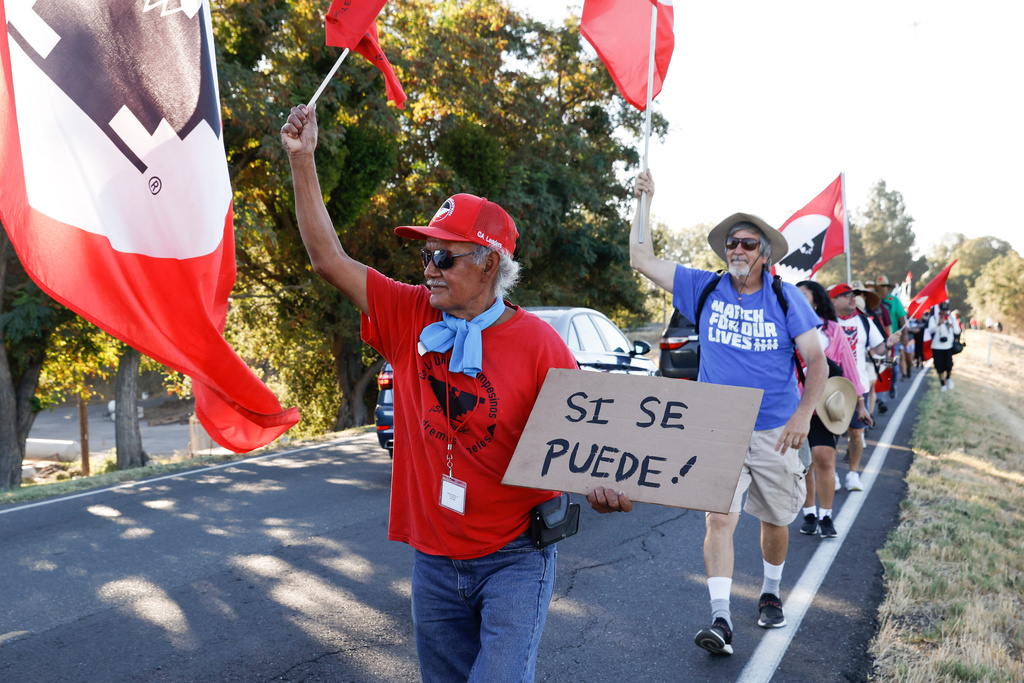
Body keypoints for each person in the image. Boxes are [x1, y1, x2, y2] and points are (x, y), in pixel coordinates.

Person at [280, 104, 631, 682]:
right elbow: (328, 259)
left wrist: (603, 481)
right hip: (434, 562)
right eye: (425, 255)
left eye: (445, 256)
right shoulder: (409, 314)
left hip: (516, 558)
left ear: (491, 263)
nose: (429, 270)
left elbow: (591, 445)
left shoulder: (541, 345)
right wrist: (302, 160)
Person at [628, 171, 827, 656]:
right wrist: (644, 202)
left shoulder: (785, 299)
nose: (737, 249)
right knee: (719, 519)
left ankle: (771, 591)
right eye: (732, 243)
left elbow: (817, 362)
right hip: (718, 427)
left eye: (747, 243)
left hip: (777, 429)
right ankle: (721, 618)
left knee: (776, 519)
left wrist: (804, 415)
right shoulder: (704, 288)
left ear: (764, 254)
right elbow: (641, 259)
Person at [796, 281, 868, 539]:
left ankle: (826, 517)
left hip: (826, 407)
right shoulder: (786, 329)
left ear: (816, 301)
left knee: (824, 459)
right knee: (804, 465)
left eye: (804, 296)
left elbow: (848, 366)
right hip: (796, 406)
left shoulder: (833, 330)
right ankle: (809, 514)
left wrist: (860, 403)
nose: (799, 299)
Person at [830, 284, 901, 492]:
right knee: (831, 435)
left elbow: (877, 350)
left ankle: (853, 474)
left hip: (856, 387)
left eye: (853, 295)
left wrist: (888, 343)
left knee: (856, 432)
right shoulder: (824, 322)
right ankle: (831, 473)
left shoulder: (864, 321)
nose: (853, 299)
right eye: (846, 296)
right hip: (830, 387)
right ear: (833, 300)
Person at [872, 276, 909, 392]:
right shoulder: (872, 300)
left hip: (893, 339)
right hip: (875, 340)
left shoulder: (894, 300)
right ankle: (878, 394)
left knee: (892, 365)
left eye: (884, 286)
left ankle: (892, 385)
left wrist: (905, 335)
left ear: (887, 288)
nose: (882, 289)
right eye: (880, 286)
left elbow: (902, 318)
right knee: (877, 366)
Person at [927, 302, 962, 392]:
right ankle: (942, 384)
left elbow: (957, 331)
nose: (944, 312)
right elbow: (930, 330)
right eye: (942, 310)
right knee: (939, 367)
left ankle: (948, 378)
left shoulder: (951, 318)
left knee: (949, 366)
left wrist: (952, 326)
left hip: (948, 346)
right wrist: (938, 324)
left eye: (945, 310)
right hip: (937, 346)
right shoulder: (934, 318)